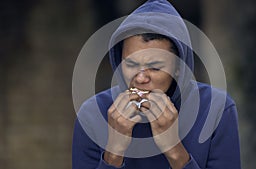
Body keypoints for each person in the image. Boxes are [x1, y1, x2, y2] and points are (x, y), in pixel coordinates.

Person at [72, 0, 241, 169]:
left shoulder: (217, 109)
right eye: (130, 65)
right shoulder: (92, 113)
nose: (140, 78)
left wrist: (174, 149)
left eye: (154, 67)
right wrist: (114, 151)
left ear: (178, 68)